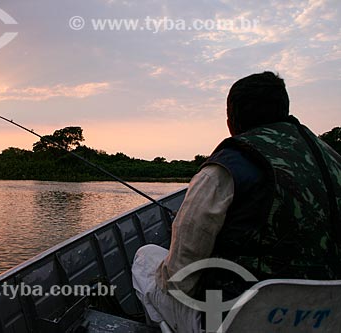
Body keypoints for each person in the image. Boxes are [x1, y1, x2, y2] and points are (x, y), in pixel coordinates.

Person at [132, 71, 341, 332]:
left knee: (145, 258)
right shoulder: (332, 159)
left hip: (234, 321)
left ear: (232, 121)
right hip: (325, 318)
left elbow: (179, 279)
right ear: (284, 110)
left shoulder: (224, 169)